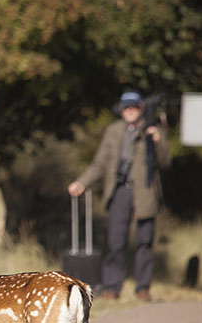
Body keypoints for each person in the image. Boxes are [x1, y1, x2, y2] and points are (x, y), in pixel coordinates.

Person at [68, 90, 171, 301]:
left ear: (141, 109)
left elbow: (165, 162)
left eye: (134, 107)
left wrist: (158, 142)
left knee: (144, 241)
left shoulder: (152, 130)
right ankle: (112, 287)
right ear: (122, 110)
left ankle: (143, 288)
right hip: (119, 190)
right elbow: (100, 163)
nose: (130, 110)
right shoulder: (114, 131)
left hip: (145, 193)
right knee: (116, 242)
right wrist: (82, 182)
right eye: (127, 107)